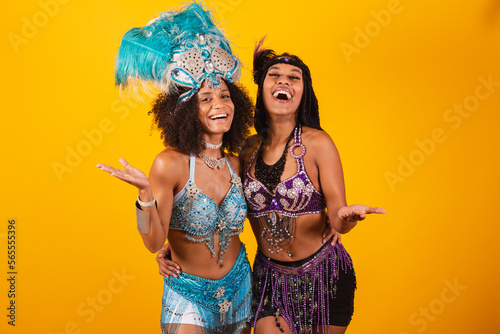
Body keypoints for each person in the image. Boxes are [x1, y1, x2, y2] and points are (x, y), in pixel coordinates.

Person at [97, 3, 254, 333]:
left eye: (224, 96)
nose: (219, 105)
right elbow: (154, 242)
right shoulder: (170, 164)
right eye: (206, 99)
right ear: (185, 112)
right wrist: (144, 196)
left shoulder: (238, 164)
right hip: (188, 295)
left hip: (240, 287)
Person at [238, 40, 385, 334]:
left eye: (294, 78)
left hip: (324, 276)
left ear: (304, 92)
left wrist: (347, 217)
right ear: (262, 88)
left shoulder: (319, 143)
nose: (284, 81)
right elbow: (225, 206)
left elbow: (338, 219)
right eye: (274, 75)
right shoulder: (247, 150)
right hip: (270, 279)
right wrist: (180, 243)